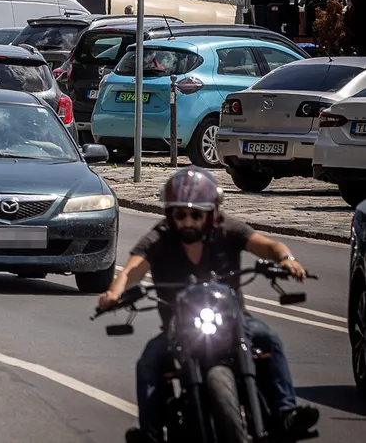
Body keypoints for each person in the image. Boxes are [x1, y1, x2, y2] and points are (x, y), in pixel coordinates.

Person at [98, 168, 318, 443]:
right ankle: (150, 433)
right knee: (148, 362)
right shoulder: (160, 237)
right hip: (179, 328)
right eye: (180, 215)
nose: (187, 222)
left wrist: (287, 260)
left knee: (269, 339)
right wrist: (114, 293)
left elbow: (269, 246)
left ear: (211, 213)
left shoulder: (227, 229)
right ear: (170, 214)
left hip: (234, 321)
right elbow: (133, 270)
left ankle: (286, 413)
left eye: (196, 215)